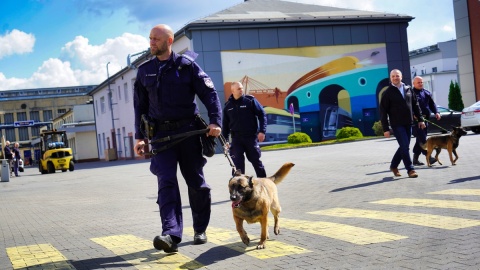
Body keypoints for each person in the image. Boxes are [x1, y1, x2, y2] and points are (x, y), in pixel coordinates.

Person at [133, 24, 222, 253]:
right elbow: (139, 107)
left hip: (189, 132)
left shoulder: (187, 66)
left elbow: (209, 93)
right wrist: (140, 137)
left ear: (169, 41)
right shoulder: (144, 71)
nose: (151, 42)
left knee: (197, 183)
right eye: (150, 38)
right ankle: (171, 234)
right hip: (161, 137)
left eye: (156, 39)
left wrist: (215, 122)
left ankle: (200, 228)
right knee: (166, 183)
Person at [380, 69, 426, 178]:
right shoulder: (387, 93)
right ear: (390, 78)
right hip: (397, 124)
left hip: (408, 123)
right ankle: (410, 169)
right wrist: (385, 128)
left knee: (404, 146)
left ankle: (394, 165)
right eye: (393, 76)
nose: (395, 78)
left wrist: (420, 119)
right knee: (405, 146)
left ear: (401, 77)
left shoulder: (408, 89)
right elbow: (383, 111)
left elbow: (416, 105)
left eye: (397, 76)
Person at [222, 81, 267, 177]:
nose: (241, 90)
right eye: (239, 89)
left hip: (250, 138)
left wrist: (262, 131)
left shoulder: (250, 101)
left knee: (256, 161)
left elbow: (262, 114)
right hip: (236, 140)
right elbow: (225, 125)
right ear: (232, 90)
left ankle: (264, 184)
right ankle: (238, 189)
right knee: (237, 166)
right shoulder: (227, 106)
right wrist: (225, 141)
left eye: (242, 88)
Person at [411, 76, 441, 166]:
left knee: (419, 140)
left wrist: (436, 112)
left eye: (421, 82)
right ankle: (429, 157)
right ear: (414, 84)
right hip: (416, 121)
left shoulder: (427, 93)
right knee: (423, 139)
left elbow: (432, 104)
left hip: (426, 120)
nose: (420, 84)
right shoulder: (410, 93)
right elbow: (409, 106)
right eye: (418, 83)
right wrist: (413, 114)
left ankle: (415, 159)